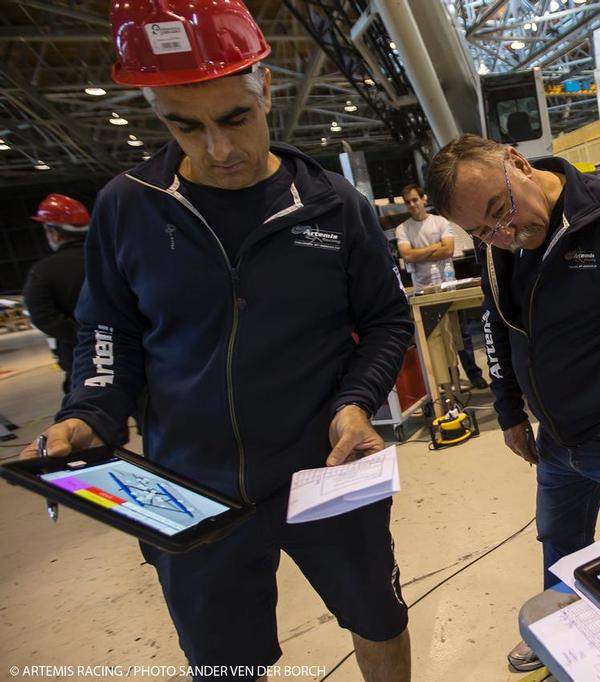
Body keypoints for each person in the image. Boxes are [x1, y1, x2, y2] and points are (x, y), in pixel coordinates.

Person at [20, 1, 413, 679]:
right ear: (158, 116)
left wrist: (356, 402)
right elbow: (107, 328)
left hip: (324, 472)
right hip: (187, 485)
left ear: (265, 87)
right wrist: (91, 411)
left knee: (377, 616)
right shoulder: (129, 205)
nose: (218, 149)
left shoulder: (330, 205)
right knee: (224, 661)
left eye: (235, 118)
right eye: (186, 127)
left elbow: (386, 320)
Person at [426, 134, 600, 670]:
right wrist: (509, 408)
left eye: (500, 211)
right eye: (482, 230)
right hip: (556, 439)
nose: (504, 235)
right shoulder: (497, 243)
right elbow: (497, 323)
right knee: (560, 543)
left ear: (517, 162)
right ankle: (562, 634)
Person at [395, 183, 487, 390]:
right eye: (408, 202)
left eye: (415, 200)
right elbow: (407, 255)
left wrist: (419, 253)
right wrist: (436, 247)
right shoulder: (403, 228)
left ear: (423, 199)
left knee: (461, 334)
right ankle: (440, 386)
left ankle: (473, 375)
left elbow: (448, 250)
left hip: (447, 286)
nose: (412, 205)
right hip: (423, 291)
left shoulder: (440, 222)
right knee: (432, 340)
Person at [22, 194, 89, 394]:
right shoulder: (116, 259)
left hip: (81, 361)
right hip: (135, 355)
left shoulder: (43, 272)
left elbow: (43, 318)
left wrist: (88, 336)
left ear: (54, 232)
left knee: (96, 420)